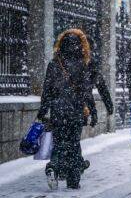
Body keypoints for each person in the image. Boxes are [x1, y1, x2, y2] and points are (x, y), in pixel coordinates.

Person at [37, 29, 96, 190]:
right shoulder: (82, 64)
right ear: (79, 46)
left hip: (58, 111)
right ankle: (73, 180)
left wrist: (43, 111)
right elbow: (87, 92)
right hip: (75, 111)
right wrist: (93, 110)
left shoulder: (54, 64)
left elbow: (47, 89)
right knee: (73, 144)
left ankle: (53, 167)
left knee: (59, 143)